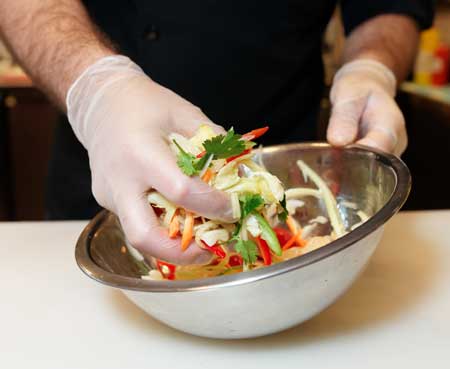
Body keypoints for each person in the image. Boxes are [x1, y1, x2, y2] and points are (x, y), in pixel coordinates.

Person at [0, 1, 433, 264]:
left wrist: (373, 67)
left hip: (287, 198)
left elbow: (388, 4)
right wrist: (96, 89)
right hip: (96, 180)